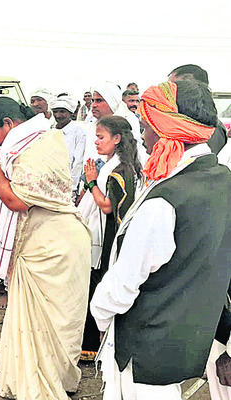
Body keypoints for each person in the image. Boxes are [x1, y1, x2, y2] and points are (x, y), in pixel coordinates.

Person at [90, 80, 231, 399]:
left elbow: (123, 285)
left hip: (144, 348)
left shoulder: (165, 202)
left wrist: (100, 315)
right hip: (188, 339)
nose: (141, 136)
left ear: (169, 130)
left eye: (145, 126)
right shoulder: (222, 180)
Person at [0, 97, 91, 399]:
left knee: (55, 319)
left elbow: (15, 201)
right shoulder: (45, 140)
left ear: (9, 125)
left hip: (52, 246)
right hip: (57, 240)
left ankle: (47, 382)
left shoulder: (34, 150)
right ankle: (56, 376)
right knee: (51, 318)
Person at [77, 116, 142, 356]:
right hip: (107, 233)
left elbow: (106, 206)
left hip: (109, 237)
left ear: (117, 139)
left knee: (99, 285)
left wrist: (92, 182)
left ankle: (93, 344)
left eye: (101, 137)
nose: (96, 142)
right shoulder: (119, 165)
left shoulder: (118, 170)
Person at [168, 64, 228, 154]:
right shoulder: (187, 122)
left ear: (190, 89)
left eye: (171, 87)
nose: (167, 92)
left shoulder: (207, 128)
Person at [83, 82, 143, 164]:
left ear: (112, 102)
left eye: (99, 101)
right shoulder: (92, 126)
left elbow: (136, 157)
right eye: (93, 101)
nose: (93, 105)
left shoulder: (128, 122)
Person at [50, 95, 87, 193]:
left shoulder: (79, 132)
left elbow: (78, 162)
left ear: (70, 112)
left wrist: (72, 187)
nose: (58, 115)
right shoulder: (50, 130)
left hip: (68, 184)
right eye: (55, 112)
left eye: (62, 111)